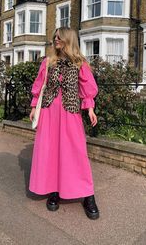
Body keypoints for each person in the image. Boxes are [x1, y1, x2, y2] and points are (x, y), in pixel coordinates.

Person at [28, 27, 99, 220]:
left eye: (59, 36)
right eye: (55, 36)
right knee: (50, 151)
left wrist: (90, 108)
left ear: (68, 39)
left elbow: (87, 88)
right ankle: (54, 191)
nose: (56, 39)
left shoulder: (80, 63)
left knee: (76, 152)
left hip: (70, 112)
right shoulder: (47, 62)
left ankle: (88, 195)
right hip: (49, 112)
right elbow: (38, 86)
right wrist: (34, 106)